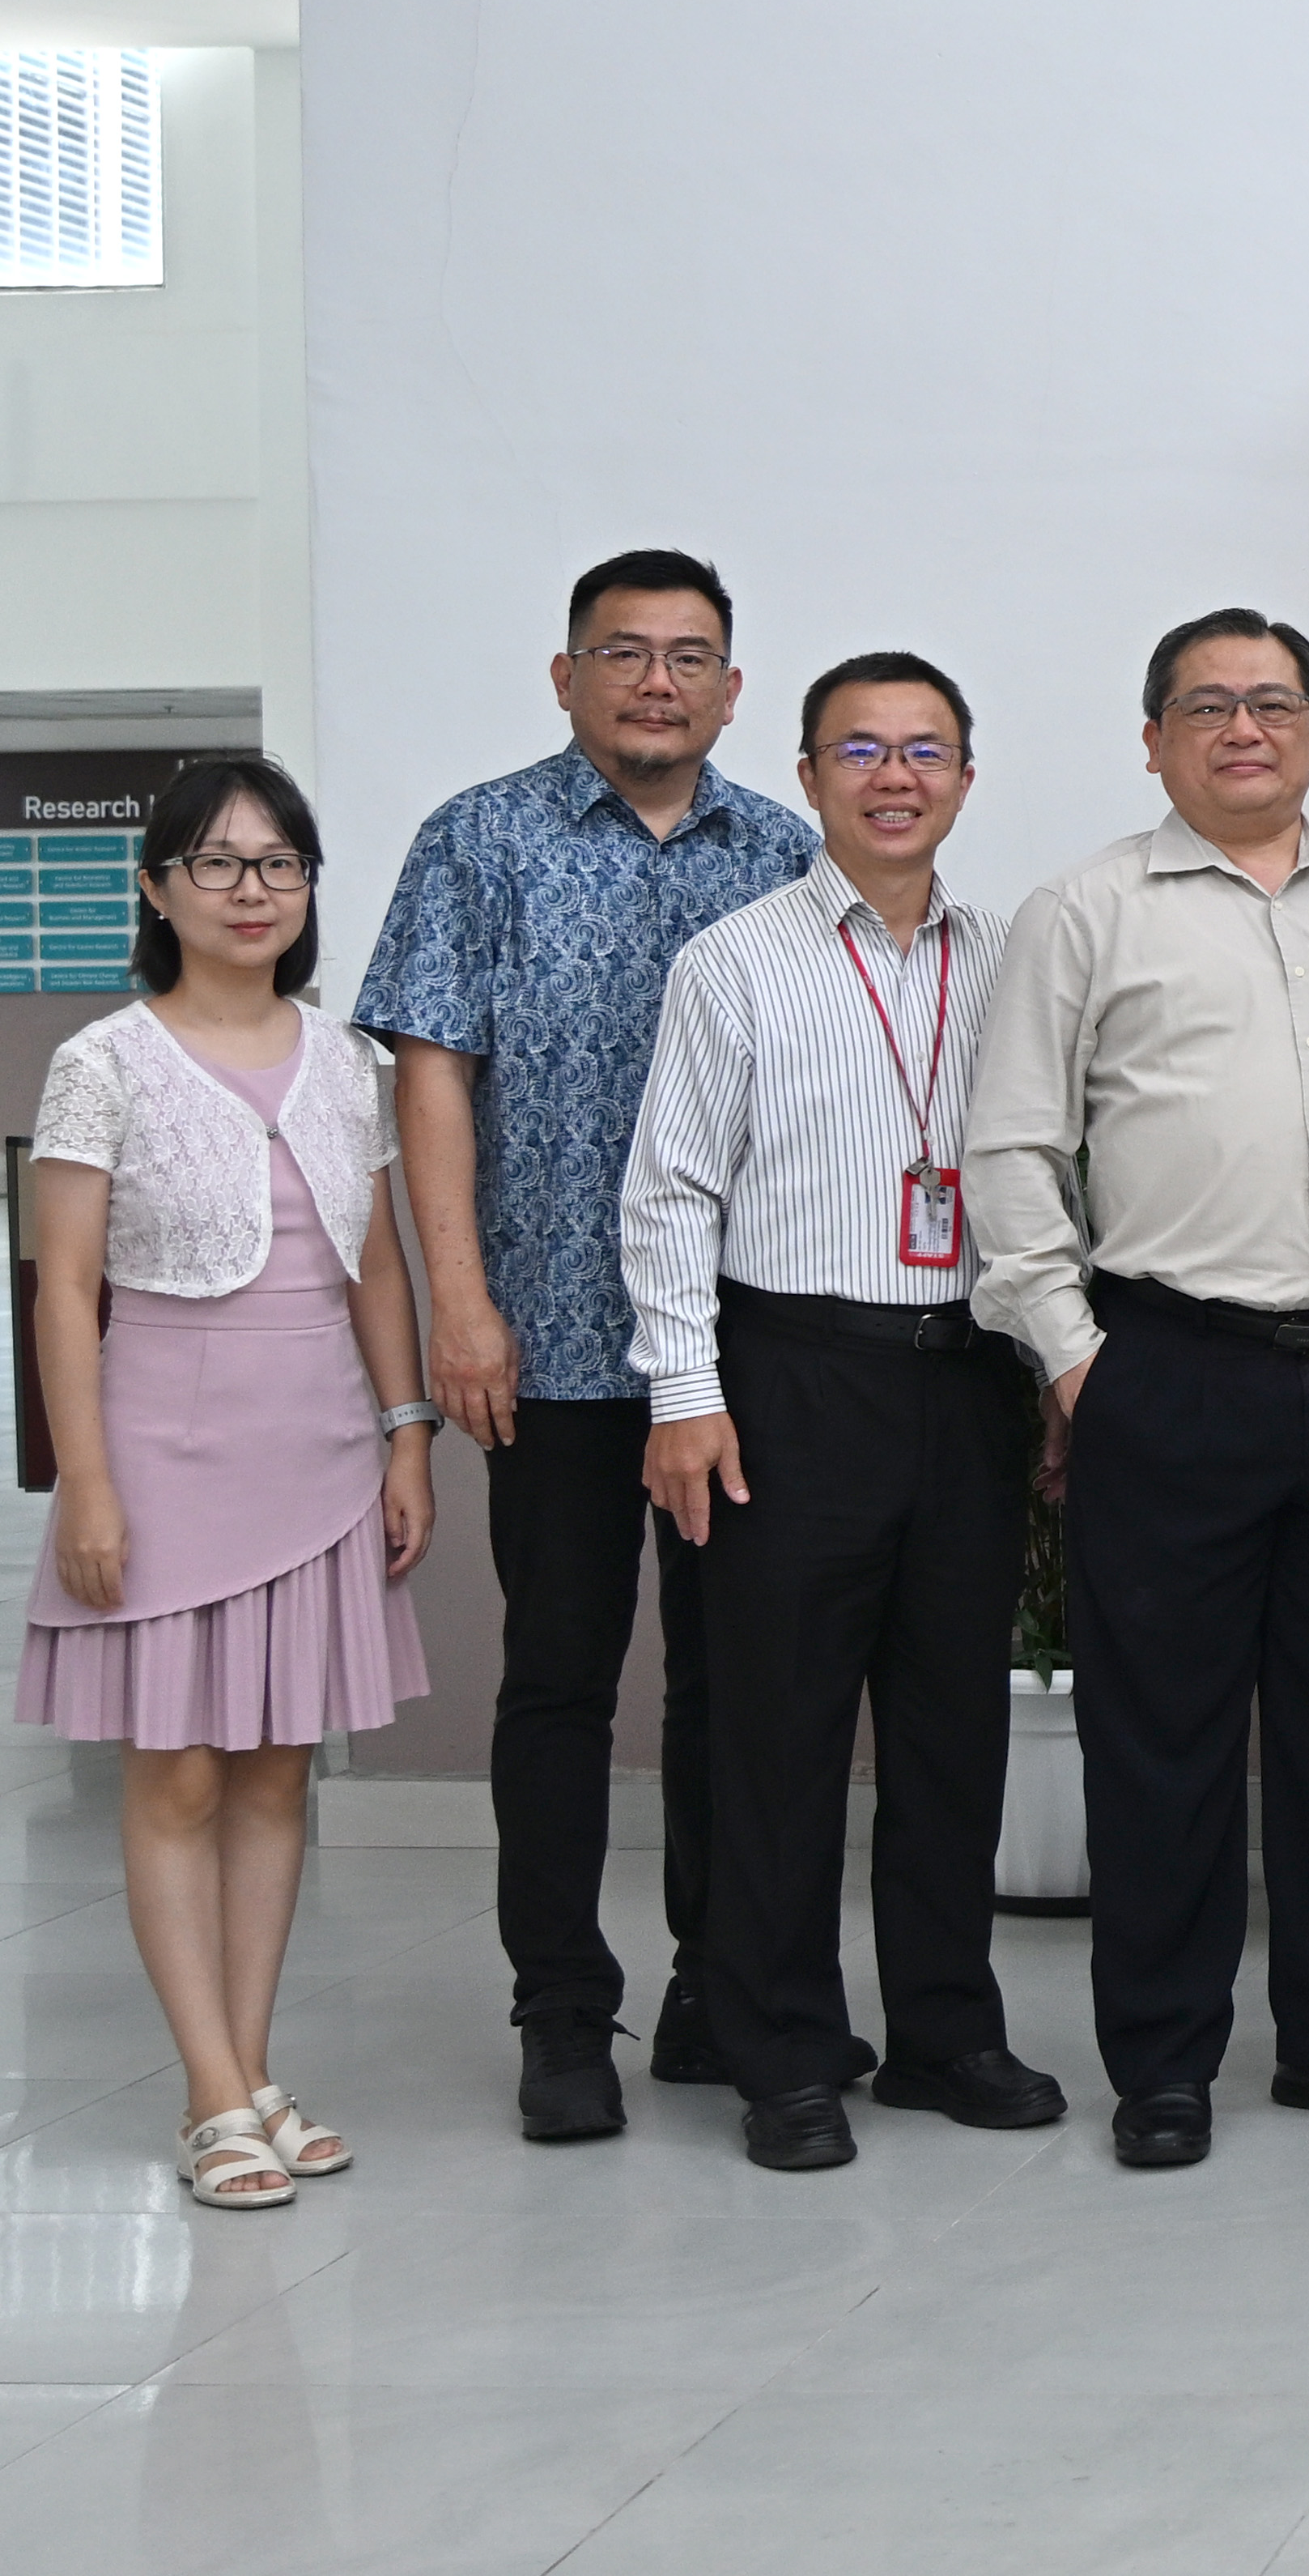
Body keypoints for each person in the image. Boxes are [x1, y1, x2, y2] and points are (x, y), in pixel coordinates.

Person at [967, 608, 1309, 2169]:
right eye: (1207, 707)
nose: (1243, 730)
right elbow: (1010, 1149)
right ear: (1153, 740)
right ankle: (1166, 2061)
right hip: (1168, 1370)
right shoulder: (1084, 910)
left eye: (1273, 705)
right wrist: (1075, 1358)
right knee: (1161, 1740)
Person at [355, 548, 820, 2141]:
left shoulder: (785, 850)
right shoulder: (475, 841)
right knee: (557, 1678)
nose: (657, 681)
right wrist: (459, 1301)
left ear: (733, 690)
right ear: (566, 676)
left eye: (690, 656)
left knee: (731, 1682)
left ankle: (716, 1984)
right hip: (545, 1334)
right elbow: (431, 1079)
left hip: (739, 1349)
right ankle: (563, 2007)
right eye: (623, 652)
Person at [618, 653, 1066, 2170]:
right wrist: (686, 1396)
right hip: (789, 1376)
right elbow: (670, 1191)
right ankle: (786, 2050)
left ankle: (946, 2031)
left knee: (953, 1732)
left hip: (968, 1378)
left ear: (963, 776)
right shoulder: (733, 962)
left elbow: (1050, 1181)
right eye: (859, 748)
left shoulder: (1011, 958)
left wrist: (1053, 1367)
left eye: (925, 748)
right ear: (807, 777)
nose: (894, 775)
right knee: (778, 1734)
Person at [21, 758, 436, 2207]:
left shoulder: (352, 1061)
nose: (252, 889)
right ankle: (210, 2095)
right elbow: (61, 1293)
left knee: (274, 1777)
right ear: (157, 890)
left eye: (280, 865)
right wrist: (85, 1484)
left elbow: (379, 1264)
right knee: (179, 1775)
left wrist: (406, 1431)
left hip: (317, 1446)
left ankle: (253, 2069)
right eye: (217, 863)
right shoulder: (104, 1060)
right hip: (157, 1454)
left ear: (309, 891)